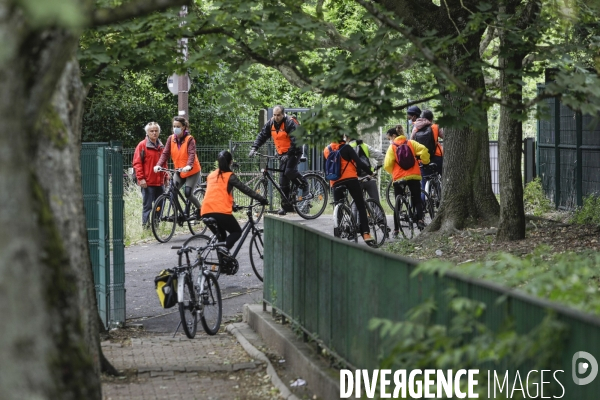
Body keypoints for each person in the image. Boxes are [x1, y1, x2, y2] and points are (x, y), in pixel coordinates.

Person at [201, 150, 269, 254]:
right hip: (220, 211)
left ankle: (222, 264)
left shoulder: (211, 175)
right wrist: (261, 199)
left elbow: (217, 192)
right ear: (231, 162)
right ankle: (225, 249)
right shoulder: (229, 176)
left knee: (222, 237)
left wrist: (233, 205)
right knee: (236, 231)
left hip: (205, 211)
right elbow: (246, 189)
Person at [248, 105, 308, 215]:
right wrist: (254, 147)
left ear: (283, 114)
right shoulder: (271, 123)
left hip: (294, 151)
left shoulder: (290, 122)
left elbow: (295, 141)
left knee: (289, 171)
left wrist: (289, 154)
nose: (276, 117)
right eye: (274, 115)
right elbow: (262, 135)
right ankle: (287, 207)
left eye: (278, 115)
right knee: (283, 183)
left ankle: (304, 184)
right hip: (282, 153)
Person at [324, 135, 375, 244]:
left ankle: (341, 229)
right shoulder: (346, 148)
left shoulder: (327, 150)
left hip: (335, 181)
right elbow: (360, 163)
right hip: (350, 179)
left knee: (338, 205)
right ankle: (366, 233)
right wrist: (371, 173)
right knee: (360, 205)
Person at [384, 126, 430, 237]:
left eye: (389, 138)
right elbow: (424, 150)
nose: (390, 140)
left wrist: (393, 172)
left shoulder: (392, 147)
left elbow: (387, 165)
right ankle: (420, 220)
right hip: (413, 175)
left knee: (397, 204)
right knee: (417, 199)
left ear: (394, 136)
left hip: (399, 178)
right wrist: (425, 161)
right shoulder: (411, 143)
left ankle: (396, 230)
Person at [154, 116, 201, 218]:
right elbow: (165, 154)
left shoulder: (190, 139)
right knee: (172, 191)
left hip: (192, 171)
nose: (175, 128)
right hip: (179, 170)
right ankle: (177, 214)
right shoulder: (171, 139)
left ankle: (200, 209)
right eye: (174, 126)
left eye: (178, 126)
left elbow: (191, 154)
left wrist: (189, 165)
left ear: (184, 127)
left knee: (188, 193)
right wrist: (158, 165)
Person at [133, 122, 166, 228]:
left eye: (156, 130)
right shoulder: (142, 145)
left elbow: (164, 162)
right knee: (147, 206)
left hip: (160, 182)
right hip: (147, 182)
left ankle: (156, 226)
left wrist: (166, 176)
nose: (154, 133)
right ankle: (146, 227)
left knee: (159, 205)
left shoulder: (161, 146)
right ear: (147, 132)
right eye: (152, 131)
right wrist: (141, 178)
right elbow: (137, 163)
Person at [343, 133, 385, 203]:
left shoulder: (346, 148)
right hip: (369, 177)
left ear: (346, 138)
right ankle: (378, 213)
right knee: (376, 203)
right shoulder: (364, 145)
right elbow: (381, 157)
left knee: (356, 205)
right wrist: (376, 167)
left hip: (355, 180)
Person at [411, 109, 444, 176]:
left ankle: (425, 186)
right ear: (431, 119)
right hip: (436, 156)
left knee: (424, 177)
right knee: (441, 175)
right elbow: (444, 136)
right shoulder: (435, 126)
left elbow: (411, 141)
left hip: (422, 157)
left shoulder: (416, 127)